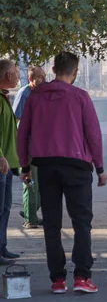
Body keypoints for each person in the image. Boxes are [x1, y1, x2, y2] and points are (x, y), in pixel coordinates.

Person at [17, 51, 107, 294]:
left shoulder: (35, 96)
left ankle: (57, 280)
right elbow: (93, 135)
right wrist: (99, 168)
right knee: (81, 222)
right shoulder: (80, 97)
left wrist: (25, 167)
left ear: (54, 68)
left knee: (51, 225)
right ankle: (81, 277)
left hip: (45, 166)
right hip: (77, 166)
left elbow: (22, 132)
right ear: (75, 72)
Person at [13, 65, 46, 229]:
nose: (44, 79)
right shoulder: (24, 93)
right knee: (30, 182)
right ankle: (30, 219)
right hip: (27, 146)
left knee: (40, 185)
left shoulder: (40, 93)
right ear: (32, 79)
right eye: (40, 77)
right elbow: (16, 121)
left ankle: (30, 212)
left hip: (40, 145)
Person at [0, 60, 21, 265]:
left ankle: (2, 247)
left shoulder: (4, 97)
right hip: (1, 162)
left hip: (6, 164)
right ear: (7, 76)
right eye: (16, 73)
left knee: (5, 208)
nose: (18, 77)